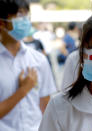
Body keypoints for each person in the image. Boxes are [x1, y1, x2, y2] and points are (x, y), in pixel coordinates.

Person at [0, 0, 56, 131]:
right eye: (19, 16)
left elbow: (46, 107)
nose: (25, 21)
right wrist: (24, 90)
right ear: (2, 23)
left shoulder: (39, 60)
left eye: (27, 15)